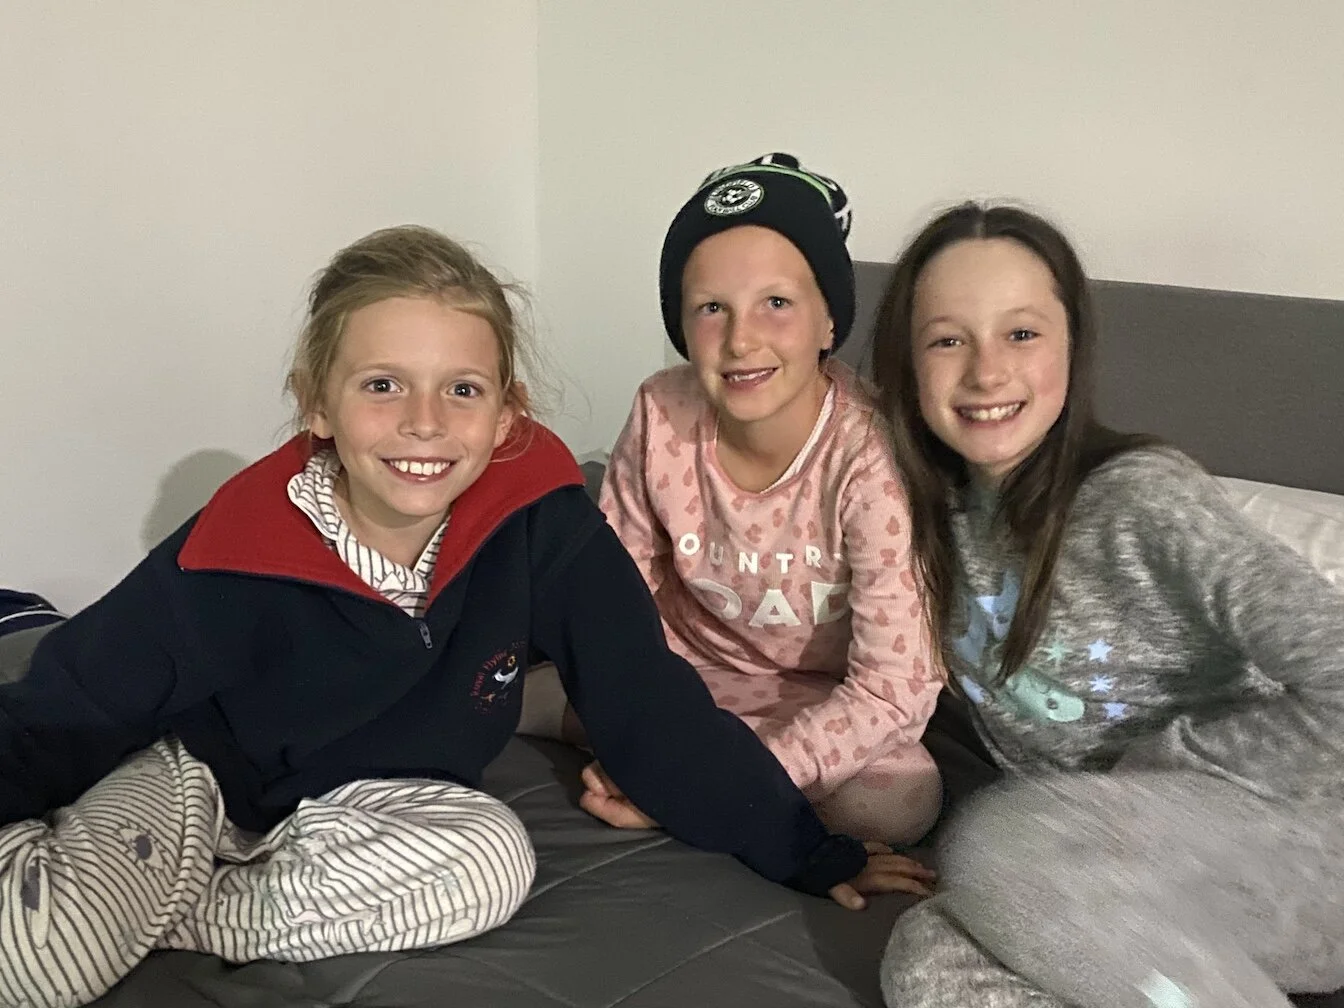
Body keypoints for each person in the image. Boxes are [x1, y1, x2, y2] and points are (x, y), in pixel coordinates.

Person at [0, 225, 927, 1008]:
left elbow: (648, 702)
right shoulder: (234, 548)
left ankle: (173, 910)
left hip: (380, 803)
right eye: (382, 385)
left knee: (492, 861)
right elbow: (74, 701)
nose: (425, 422)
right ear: (317, 404)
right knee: (40, 965)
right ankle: (101, 874)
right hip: (200, 779)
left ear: (506, 412)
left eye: (462, 389)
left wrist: (805, 849)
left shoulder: (542, 524)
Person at [869, 201, 1344, 1008]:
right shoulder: (915, 518)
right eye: (948, 340)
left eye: (1022, 333)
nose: (987, 372)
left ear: (1073, 345)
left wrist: (1156, 770)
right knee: (927, 958)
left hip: (1290, 855)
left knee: (1000, 838)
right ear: (908, 365)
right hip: (1093, 879)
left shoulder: (1144, 502)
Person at [523, 154, 943, 845]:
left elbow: (894, 688)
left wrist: (709, 780)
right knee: (503, 693)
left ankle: (703, 785)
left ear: (828, 322)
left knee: (897, 800)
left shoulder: (872, 454)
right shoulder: (661, 411)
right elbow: (613, 594)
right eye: (712, 308)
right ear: (683, 328)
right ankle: (678, 767)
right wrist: (636, 718)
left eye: (776, 303)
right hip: (674, 676)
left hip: (816, 699)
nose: (742, 339)